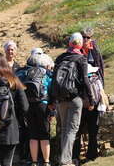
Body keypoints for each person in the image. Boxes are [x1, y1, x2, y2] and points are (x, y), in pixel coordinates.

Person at [49, 33, 96, 166]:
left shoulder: (60, 58)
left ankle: (64, 158)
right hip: (75, 98)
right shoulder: (81, 59)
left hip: (60, 99)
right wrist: (91, 100)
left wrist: (52, 100)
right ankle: (66, 161)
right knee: (72, 130)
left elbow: (53, 80)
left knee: (64, 129)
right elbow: (85, 81)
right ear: (80, 44)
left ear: (69, 43)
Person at [71, 27, 105, 164]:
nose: (85, 40)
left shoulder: (95, 52)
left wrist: (101, 92)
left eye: (88, 38)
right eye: (83, 37)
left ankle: (92, 155)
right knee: (77, 128)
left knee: (93, 127)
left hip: (93, 95)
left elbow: (101, 72)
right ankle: (75, 156)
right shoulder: (75, 52)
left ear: (91, 39)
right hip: (79, 95)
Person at [22, 48, 55, 166]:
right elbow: (51, 90)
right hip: (43, 105)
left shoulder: (26, 73)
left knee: (33, 134)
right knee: (45, 134)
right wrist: (52, 111)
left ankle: (34, 161)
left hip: (29, 105)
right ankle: (46, 162)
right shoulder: (46, 74)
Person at [72, 64, 104, 164]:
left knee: (77, 133)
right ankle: (92, 155)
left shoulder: (77, 79)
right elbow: (101, 93)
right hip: (93, 108)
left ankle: (75, 156)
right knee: (93, 133)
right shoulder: (96, 79)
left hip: (80, 108)